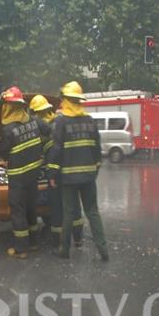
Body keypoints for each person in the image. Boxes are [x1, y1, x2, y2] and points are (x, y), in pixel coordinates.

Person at [48, 81, 109, 261]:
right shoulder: (90, 121)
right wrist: (95, 169)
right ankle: (104, 251)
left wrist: (52, 174)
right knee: (93, 212)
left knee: (68, 213)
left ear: (67, 100)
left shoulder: (61, 122)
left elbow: (57, 150)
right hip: (88, 177)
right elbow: (97, 149)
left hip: (68, 178)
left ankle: (64, 250)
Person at [0, 86, 49, 259]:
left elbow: (3, 152)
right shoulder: (34, 122)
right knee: (31, 208)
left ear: (9, 107)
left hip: (18, 177)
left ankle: (21, 248)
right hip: (34, 174)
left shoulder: (8, 130)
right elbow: (49, 131)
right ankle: (33, 242)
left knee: (18, 210)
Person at [29, 95, 84, 249]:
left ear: (35, 112)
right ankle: (78, 238)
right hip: (70, 169)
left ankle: (57, 241)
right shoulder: (59, 121)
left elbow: (48, 151)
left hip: (55, 171)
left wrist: (51, 174)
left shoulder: (38, 126)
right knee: (73, 204)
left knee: (56, 206)